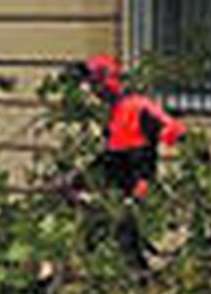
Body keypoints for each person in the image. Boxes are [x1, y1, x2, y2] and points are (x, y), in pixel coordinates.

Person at [74, 55, 186, 270]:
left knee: (126, 231)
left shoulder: (138, 106)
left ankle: (139, 273)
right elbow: (111, 153)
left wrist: (143, 182)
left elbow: (170, 128)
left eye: (97, 84)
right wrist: (79, 177)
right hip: (117, 172)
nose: (96, 92)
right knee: (97, 219)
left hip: (135, 177)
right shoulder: (114, 112)